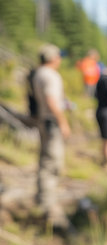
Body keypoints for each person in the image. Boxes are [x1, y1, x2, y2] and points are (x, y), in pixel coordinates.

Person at [33, 44, 71, 230]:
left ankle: (42, 198)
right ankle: (49, 205)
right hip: (51, 122)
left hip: (43, 120)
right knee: (52, 162)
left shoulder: (37, 73)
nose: (60, 60)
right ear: (53, 58)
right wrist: (63, 121)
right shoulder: (50, 75)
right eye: (59, 56)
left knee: (45, 160)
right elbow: (51, 100)